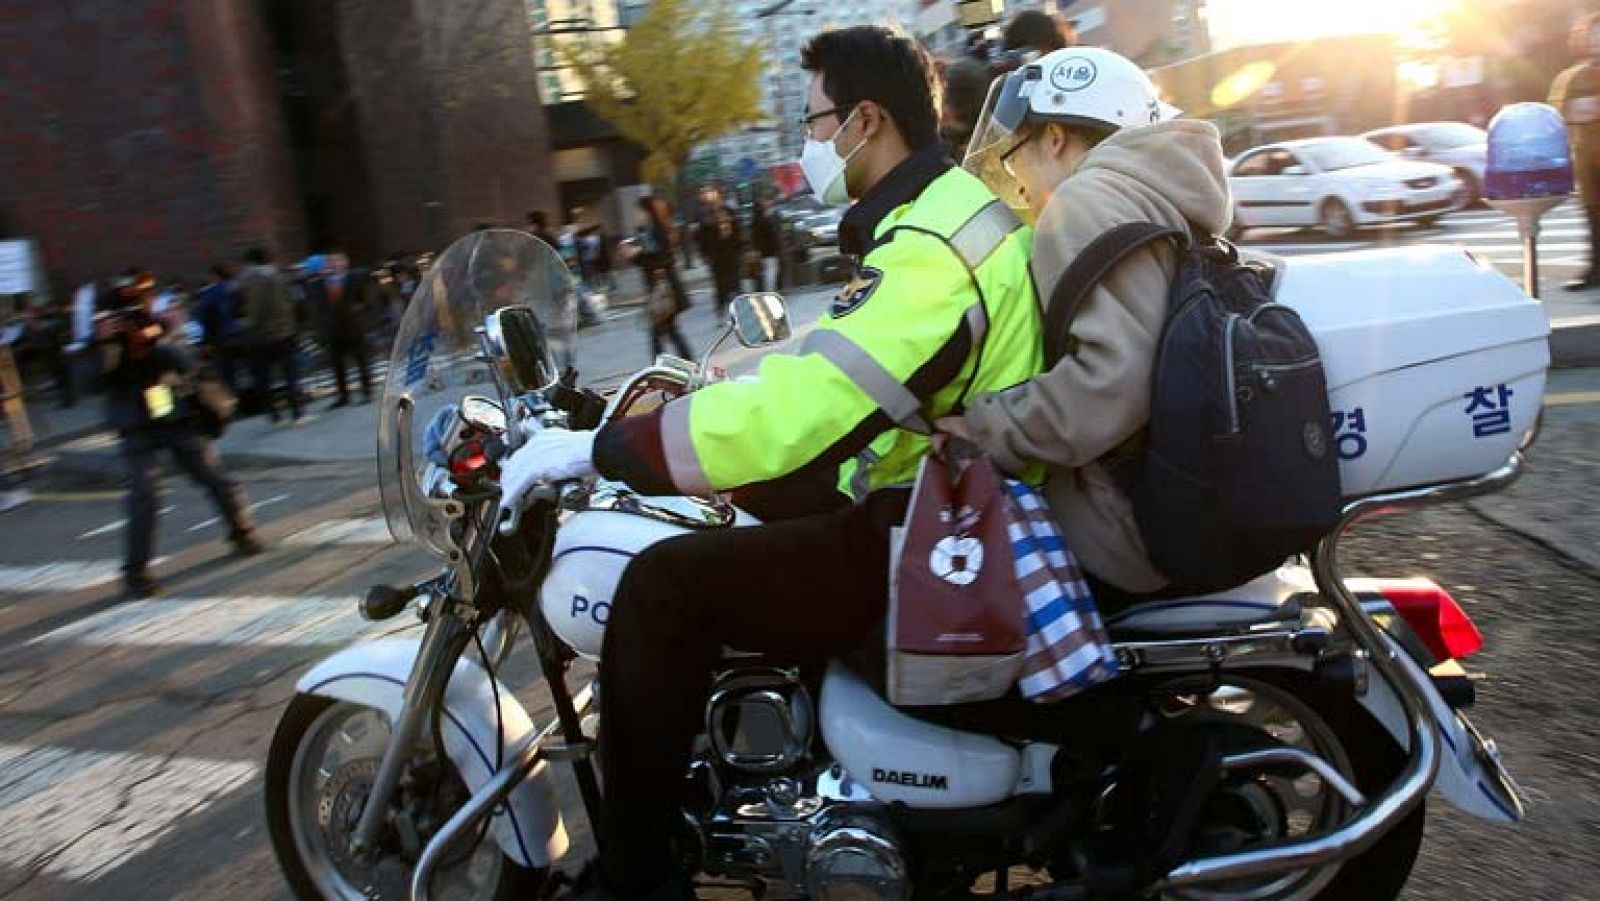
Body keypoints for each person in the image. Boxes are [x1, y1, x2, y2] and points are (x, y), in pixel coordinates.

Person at [497, 26, 1041, 897]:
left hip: (934, 530)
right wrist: (695, 409)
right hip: (935, 494)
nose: (808, 141)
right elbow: (844, 373)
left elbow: (812, 406)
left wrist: (609, 450)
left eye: (813, 120)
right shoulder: (940, 215)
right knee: (744, 498)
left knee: (663, 588)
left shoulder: (935, 248)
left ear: (868, 120)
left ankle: (635, 878)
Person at [945, 46, 1230, 597]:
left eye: (1016, 154)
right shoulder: (1161, 193)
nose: (1016, 178)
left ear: (1054, 138)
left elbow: (1111, 383)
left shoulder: (1084, 202)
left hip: (1119, 528)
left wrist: (983, 427)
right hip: (1191, 494)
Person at [94, 270, 261, 598]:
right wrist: (107, 344)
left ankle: (242, 532)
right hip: (134, 421)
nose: (134, 313)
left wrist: (164, 337)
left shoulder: (159, 325)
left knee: (215, 476)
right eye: (127, 308)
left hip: (170, 412)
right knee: (144, 494)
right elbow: (93, 381)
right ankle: (136, 573)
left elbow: (187, 365)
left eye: (141, 300)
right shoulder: (103, 339)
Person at [1550, 12, 1600, 291]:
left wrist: (1586, 107)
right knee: (1594, 218)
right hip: (1587, 160)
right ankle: (1595, 272)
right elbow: (1560, 112)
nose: (1596, 40)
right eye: (1592, 34)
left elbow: (1582, 109)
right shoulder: (1572, 77)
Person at [237, 247, 308, 424]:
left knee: (264, 378)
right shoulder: (275, 277)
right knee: (290, 374)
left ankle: (274, 415)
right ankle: (298, 413)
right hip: (281, 333)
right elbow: (283, 306)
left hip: (255, 338)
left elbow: (244, 311)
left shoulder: (241, 282)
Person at [305, 250, 373, 408]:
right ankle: (343, 395)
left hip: (353, 326)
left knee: (361, 359)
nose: (334, 264)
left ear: (345, 262)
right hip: (333, 329)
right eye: (331, 261)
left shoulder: (355, 277)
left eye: (338, 260)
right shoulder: (321, 283)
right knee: (336, 363)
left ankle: (366, 390)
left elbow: (368, 297)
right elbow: (317, 304)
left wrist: (361, 309)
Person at [634, 197, 695, 361]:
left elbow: (657, 257)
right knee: (669, 331)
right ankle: (688, 362)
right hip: (666, 287)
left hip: (663, 289)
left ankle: (659, 368)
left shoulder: (651, 230)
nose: (637, 214)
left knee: (658, 333)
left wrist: (636, 254)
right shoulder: (653, 228)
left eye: (638, 211)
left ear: (646, 211)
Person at [750, 198, 783, 292]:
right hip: (768, 248)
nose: (766, 203)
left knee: (769, 270)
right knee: (771, 270)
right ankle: (770, 291)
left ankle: (769, 290)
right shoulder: (762, 219)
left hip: (765, 249)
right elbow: (770, 232)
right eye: (764, 202)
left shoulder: (756, 219)